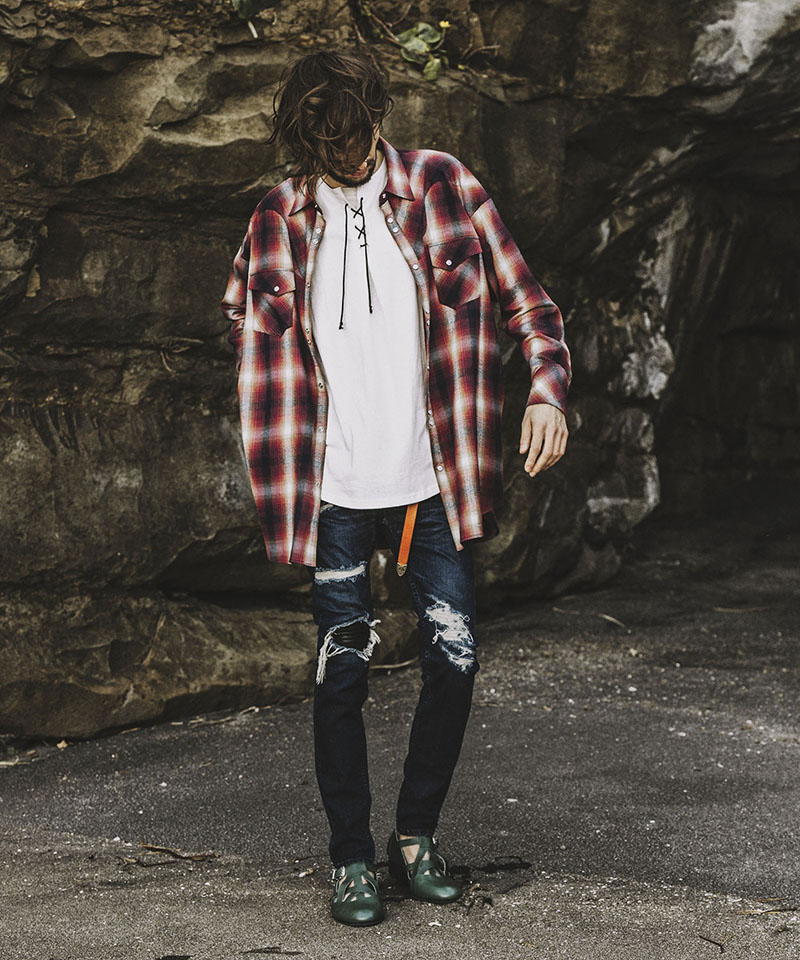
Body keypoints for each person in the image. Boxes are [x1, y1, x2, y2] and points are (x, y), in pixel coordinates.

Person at [220, 49, 571, 927]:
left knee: (455, 657)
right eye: (320, 144)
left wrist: (546, 389)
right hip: (333, 490)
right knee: (341, 673)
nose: (339, 157)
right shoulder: (276, 216)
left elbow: (530, 302)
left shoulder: (445, 185)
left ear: (377, 114)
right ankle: (351, 859)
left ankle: (415, 839)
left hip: (431, 484)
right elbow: (243, 322)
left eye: (349, 137)